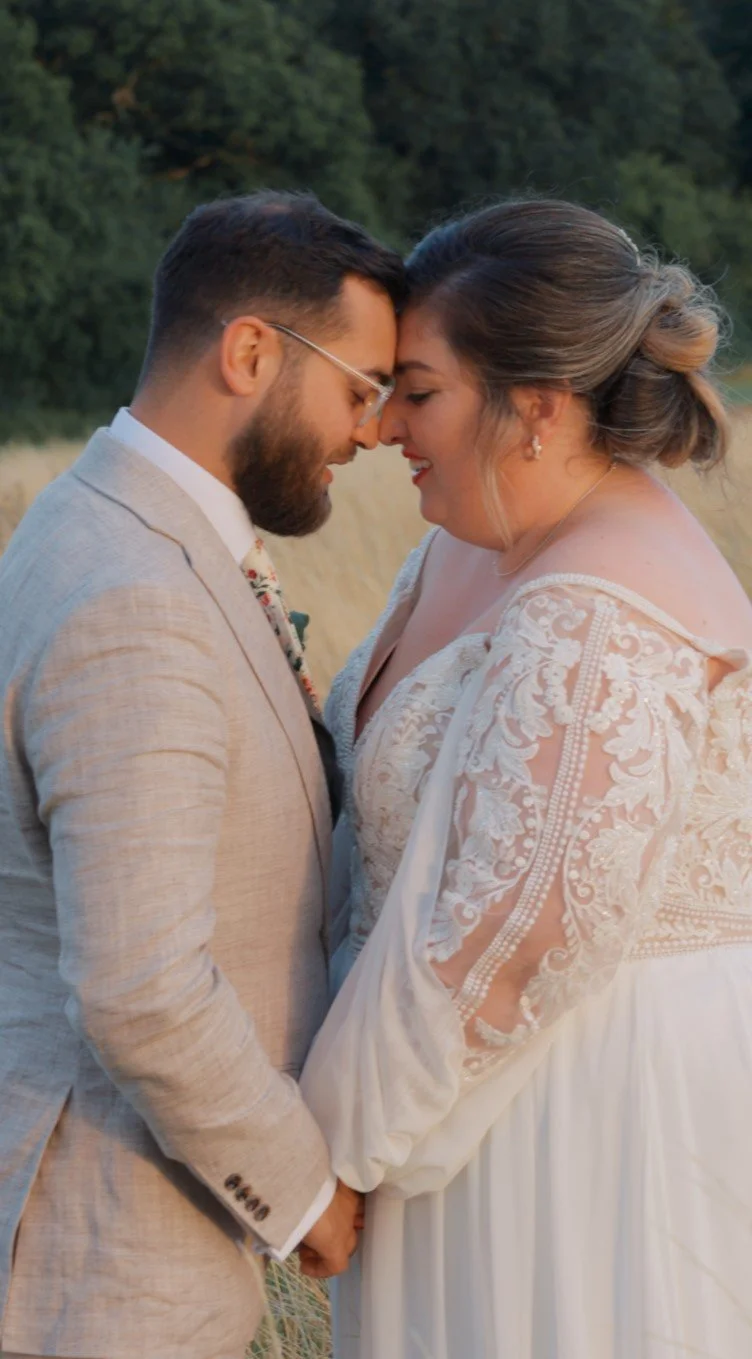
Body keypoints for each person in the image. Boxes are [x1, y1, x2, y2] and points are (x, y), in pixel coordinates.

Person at [300, 198, 752, 1358]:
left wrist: (330, 1150)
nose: (382, 425)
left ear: (536, 410)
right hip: (451, 1098)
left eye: (418, 389)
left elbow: (527, 921)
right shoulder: (470, 535)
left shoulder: (600, 606)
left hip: (567, 1122)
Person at [0, 190, 404, 1359]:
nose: (372, 431)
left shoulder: (103, 523)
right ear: (248, 353)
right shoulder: (136, 599)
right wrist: (303, 1197)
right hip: (105, 1257)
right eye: (359, 388)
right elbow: (140, 984)